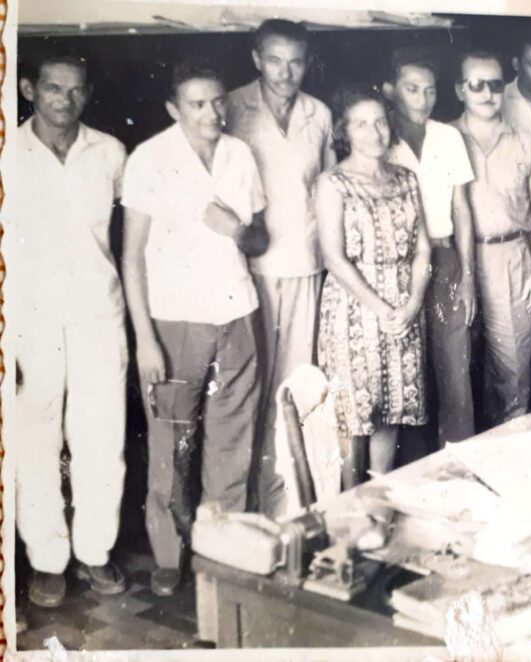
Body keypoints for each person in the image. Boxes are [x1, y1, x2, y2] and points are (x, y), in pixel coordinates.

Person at [122, 59, 269, 597]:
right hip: (175, 321)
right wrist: (145, 339)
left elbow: (259, 241)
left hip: (238, 313)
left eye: (217, 101)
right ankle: (169, 553)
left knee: (233, 437)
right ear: (173, 108)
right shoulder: (149, 159)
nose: (211, 112)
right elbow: (131, 257)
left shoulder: (240, 155)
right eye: (197, 104)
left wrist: (236, 230)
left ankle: (220, 546)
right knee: (172, 441)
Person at [8, 53, 129, 607]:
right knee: (35, 439)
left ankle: (95, 552)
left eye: (76, 90)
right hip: (29, 318)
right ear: (29, 89)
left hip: (98, 314)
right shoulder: (8, 153)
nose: (65, 99)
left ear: (88, 93)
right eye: (53, 88)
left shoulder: (109, 151)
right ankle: (47, 559)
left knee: (101, 436)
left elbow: (128, 230)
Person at [224, 19, 335, 515]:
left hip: (306, 265)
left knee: (292, 387)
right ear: (256, 59)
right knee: (249, 388)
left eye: (295, 62)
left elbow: (328, 191)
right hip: (250, 270)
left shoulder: (319, 114)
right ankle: (242, 503)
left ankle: (280, 502)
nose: (286, 72)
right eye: (275, 60)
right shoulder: (231, 107)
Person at [314, 83, 431, 483]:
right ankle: (350, 502)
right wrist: (382, 308)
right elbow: (334, 258)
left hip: (403, 304)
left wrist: (413, 303)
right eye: (361, 124)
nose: (374, 132)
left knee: (391, 408)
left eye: (380, 121)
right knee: (352, 413)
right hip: (353, 309)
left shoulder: (406, 178)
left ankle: (378, 494)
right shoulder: (333, 182)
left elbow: (423, 249)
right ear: (344, 131)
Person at [453, 51, 531, 425]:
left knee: (513, 369)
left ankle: (512, 443)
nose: (487, 94)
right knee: (458, 370)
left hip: (512, 258)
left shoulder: (526, 141)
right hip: (456, 261)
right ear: (460, 90)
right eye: (476, 85)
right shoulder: (445, 138)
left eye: (495, 85)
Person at [382, 48, 478, 445]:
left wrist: (468, 276)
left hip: (444, 257)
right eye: (412, 89)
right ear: (390, 90)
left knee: (454, 364)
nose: (423, 99)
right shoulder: (379, 139)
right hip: (397, 266)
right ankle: (411, 464)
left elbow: (461, 208)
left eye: (430, 90)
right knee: (405, 368)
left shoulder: (448, 136)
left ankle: (458, 453)